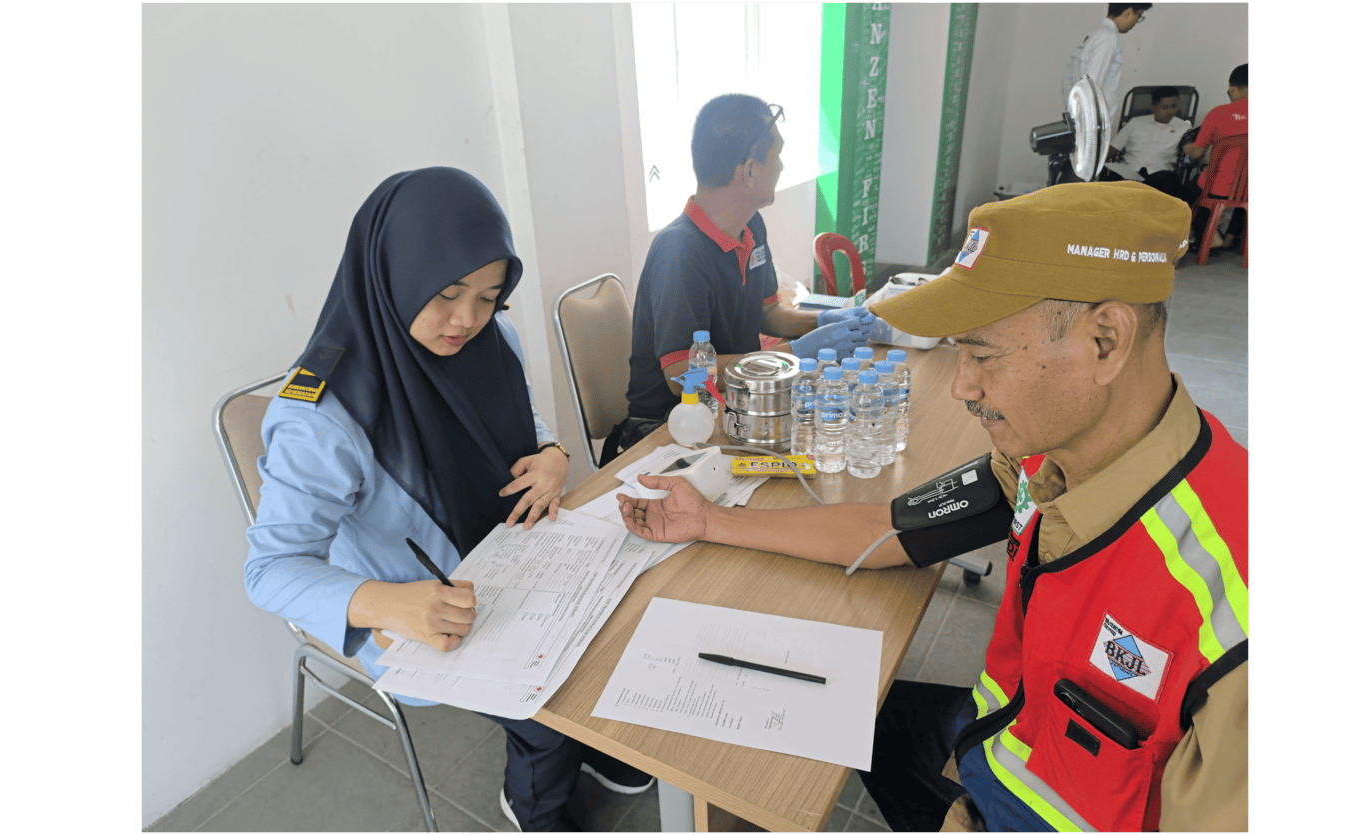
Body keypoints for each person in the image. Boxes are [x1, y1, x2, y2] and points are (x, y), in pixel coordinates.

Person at [617, 182, 1249, 832]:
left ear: (1105, 341)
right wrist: (711, 520)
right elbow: (887, 528)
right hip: (997, 746)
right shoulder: (1041, 462)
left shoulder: (1234, 620)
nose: (960, 386)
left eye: (982, 354)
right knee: (868, 724)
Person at [242, 167, 652, 833]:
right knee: (544, 712)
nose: (467, 320)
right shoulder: (322, 415)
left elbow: (522, 422)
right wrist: (386, 602)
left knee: (616, 626)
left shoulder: (493, 341)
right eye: (446, 293)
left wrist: (553, 454)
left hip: (517, 550)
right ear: (394, 275)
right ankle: (534, 802)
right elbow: (269, 570)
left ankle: (590, 744)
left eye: (490, 295)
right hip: (422, 603)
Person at [610, 93, 875, 461]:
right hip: (672, 429)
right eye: (776, 155)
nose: (781, 166)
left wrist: (825, 321)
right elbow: (681, 374)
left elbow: (767, 313)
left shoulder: (751, 225)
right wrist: (794, 354)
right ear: (750, 171)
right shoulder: (680, 253)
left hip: (736, 406)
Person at [1181, 63, 1250, 254]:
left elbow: (1195, 155)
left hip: (1219, 186)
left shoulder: (1218, 114)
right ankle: (1227, 237)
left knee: (1188, 191)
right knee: (1242, 194)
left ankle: (1206, 236)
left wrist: (1187, 144)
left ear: (1232, 88)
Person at [1061, 3, 1152, 120]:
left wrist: (1073, 113)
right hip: (1094, 123)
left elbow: (1067, 79)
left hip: (1083, 119)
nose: (1136, 22)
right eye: (1139, 16)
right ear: (1128, 12)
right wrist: (1089, 124)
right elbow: (1091, 84)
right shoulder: (1108, 38)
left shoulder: (1094, 34)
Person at [1100, 86, 1191, 196]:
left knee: (1171, 185)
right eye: (1165, 107)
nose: (1170, 111)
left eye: (1174, 106)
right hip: (1130, 170)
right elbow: (1114, 147)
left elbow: (1191, 153)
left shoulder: (1184, 127)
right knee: (1108, 184)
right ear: (1153, 107)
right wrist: (1096, 162)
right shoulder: (1135, 123)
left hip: (1161, 174)